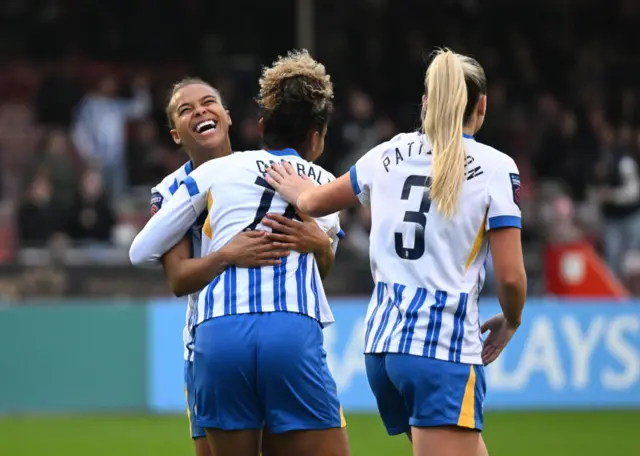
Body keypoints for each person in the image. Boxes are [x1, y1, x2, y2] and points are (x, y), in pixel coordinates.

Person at [265, 49, 527, 456]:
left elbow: (314, 202)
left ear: (426, 101)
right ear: (482, 106)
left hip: (383, 349)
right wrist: (511, 321)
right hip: (441, 348)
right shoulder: (495, 167)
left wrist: (292, 184)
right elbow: (510, 277)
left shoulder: (387, 153)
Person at [129, 50, 349, 456]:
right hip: (209, 341)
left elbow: (323, 263)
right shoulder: (173, 189)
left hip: (222, 338)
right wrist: (227, 254)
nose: (200, 112)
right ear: (176, 133)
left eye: (208, 102)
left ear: (230, 116)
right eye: (185, 110)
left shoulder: (233, 170)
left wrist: (318, 242)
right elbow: (176, 279)